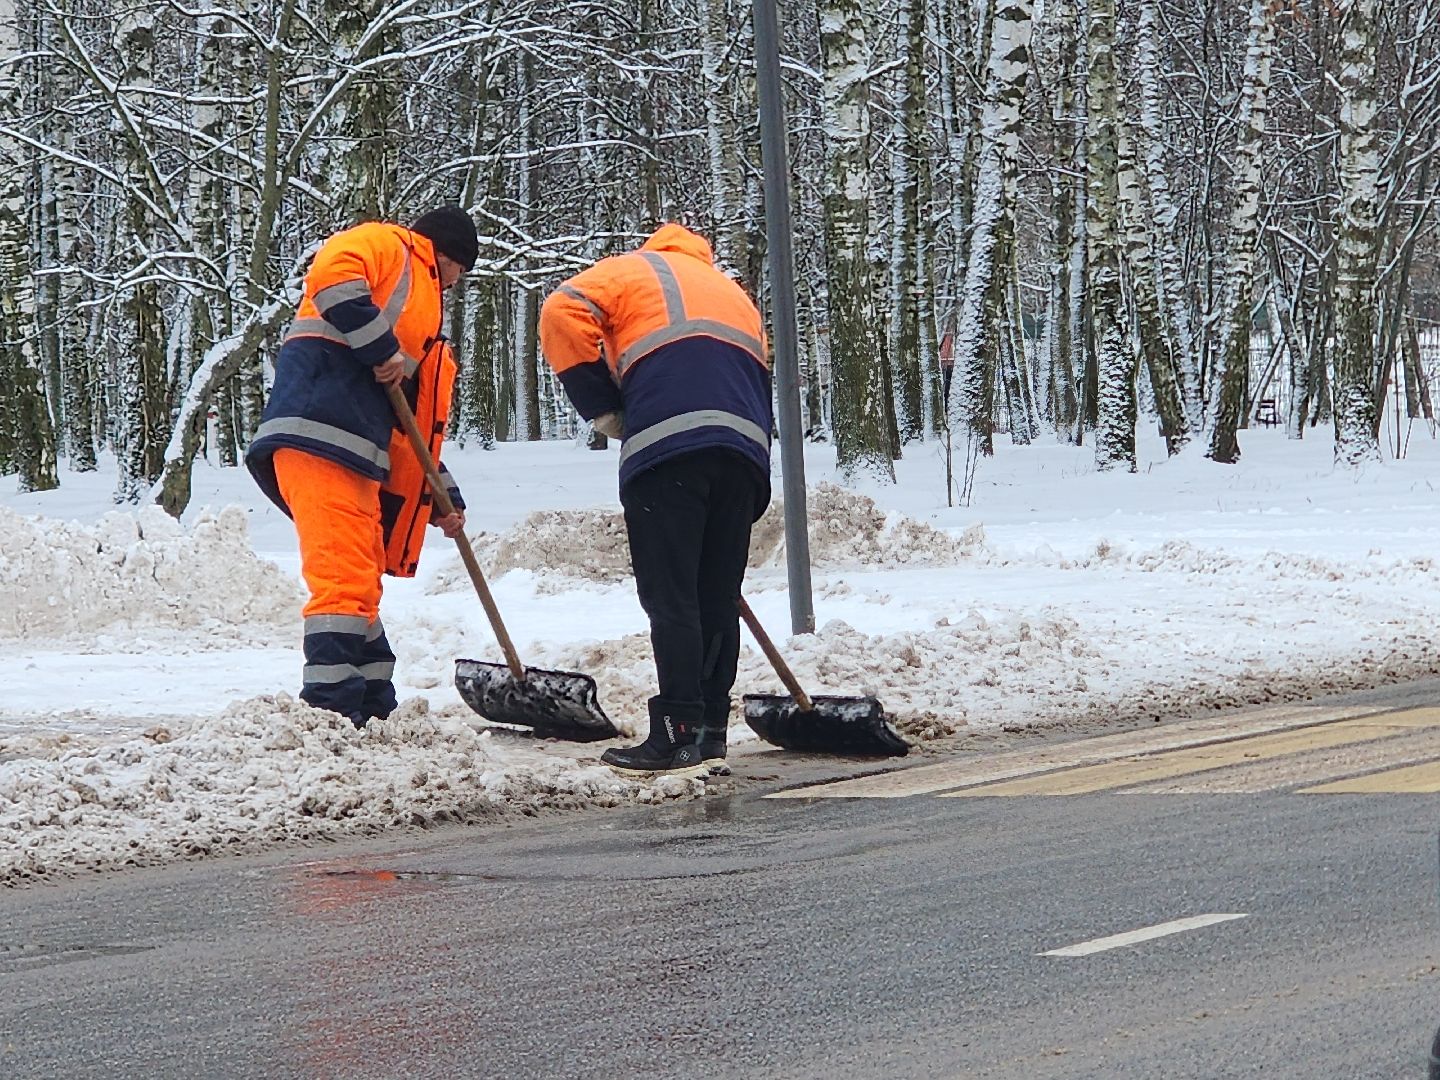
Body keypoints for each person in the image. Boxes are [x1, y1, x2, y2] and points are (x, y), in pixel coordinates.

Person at [539, 223, 772, 777]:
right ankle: (710, 728)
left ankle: (675, 732)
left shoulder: (633, 272)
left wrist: (604, 408)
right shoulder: (734, 295)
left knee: (672, 597)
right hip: (742, 452)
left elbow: (559, 312)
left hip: (669, 448)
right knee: (717, 595)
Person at [246, 206, 479, 729]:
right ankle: (331, 715)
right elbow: (331, 274)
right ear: (449, 256)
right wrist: (380, 346)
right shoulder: (388, 245)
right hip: (317, 437)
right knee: (342, 579)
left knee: (361, 579)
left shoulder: (421, 313)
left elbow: (408, 430)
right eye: (461, 273)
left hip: (356, 450)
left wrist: (440, 493)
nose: (457, 285)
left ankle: (374, 706)